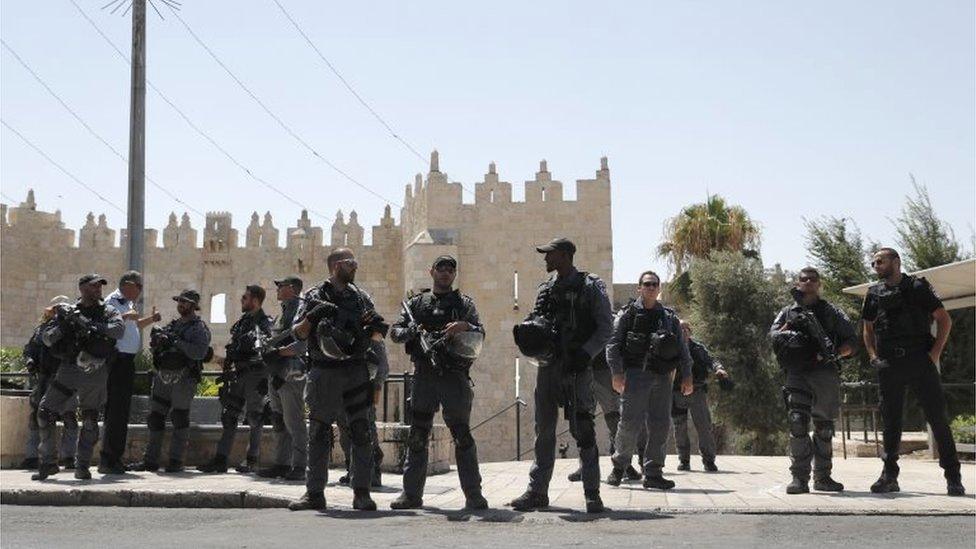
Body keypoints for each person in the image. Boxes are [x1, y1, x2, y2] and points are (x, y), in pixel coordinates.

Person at [510, 238, 613, 514]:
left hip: (578, 368)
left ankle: (592, 493)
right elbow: (537, 320)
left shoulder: (590, 286)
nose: (545, 259)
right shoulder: (546, 289)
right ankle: (537, 491)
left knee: (584, 429)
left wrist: (586, 353)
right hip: (548, 367)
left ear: (565, 256)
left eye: (550, 255)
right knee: (543, 429)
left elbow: (606, 328)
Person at [288, 248, 389, 512]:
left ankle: (362, 493)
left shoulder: (361, 298)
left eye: (355, 262)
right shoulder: (313, 296)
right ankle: (314, 493)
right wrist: (312, 316)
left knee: (361, 433)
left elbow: (377, 338)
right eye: (350, 262)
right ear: (335, 266)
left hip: (356, 371)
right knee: (319, 432)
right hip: (324, 372)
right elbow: (298, 334)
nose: (355, 267)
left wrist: (374, 329)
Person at [862, 248, 965, 496]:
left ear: (896, 262)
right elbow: (867, 328)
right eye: (874, 262)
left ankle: (953, 477)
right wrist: (874, 356)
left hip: (919, 360)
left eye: (881, 261)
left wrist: (934, 354)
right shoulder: (874, 293)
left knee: (938, 419)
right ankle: (889, 476)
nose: (876, 265)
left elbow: (944, 319)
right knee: (891, 422)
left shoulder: (917, 287)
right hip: (888, 364)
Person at [389, 255, 488, 510]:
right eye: (441, 269)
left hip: (453, 376)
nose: (445, 273)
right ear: (431, 271)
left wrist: (463, 326)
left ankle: (474, 495)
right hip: (424, 375)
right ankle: (411, 494)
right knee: (418, 435)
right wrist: (414, 331)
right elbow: (396, 332)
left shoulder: (463, 304)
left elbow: (480, 333)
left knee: (462, 436)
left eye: (450, 269)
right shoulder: (415, 304)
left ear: (454, 274)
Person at [770, 267, 855, 494]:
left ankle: (823, 477)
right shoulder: (788, 312)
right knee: (797, 421)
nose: (808, 282)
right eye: (803, 279)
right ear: (798, 283)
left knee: (824, 427)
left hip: (824, 372)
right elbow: (773, 335)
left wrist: (833, 354)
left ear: (819, 284)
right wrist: (788, 332)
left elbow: (851, 342)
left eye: (812, 279)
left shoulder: (832, 312)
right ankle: (799, 478)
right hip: (797, 372)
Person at [605, 270, 692, 490]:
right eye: (647, 284)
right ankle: (619, 467)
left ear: (659, 288)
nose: (651, 288)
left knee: (661, 424)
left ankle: (653, 472)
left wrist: (687, 375)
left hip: (662, 377)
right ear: (639, 288)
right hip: (635, 376)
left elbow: (682, 349)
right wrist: (616, 373)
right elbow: (613, 344)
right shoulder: (627, 315)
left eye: (654, 284)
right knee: (629, 424)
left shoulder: (669, 317)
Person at [32, 274, 124, 481]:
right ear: (82, 288)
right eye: (93, 286)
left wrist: (92, 326)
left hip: (95, 369)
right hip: (70, 369)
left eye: (100, 286)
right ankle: (48, 462)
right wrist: (65, 325)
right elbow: (46, 339)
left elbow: (118, 330)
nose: (98, 289)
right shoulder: (69, 312)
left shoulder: (108, 311)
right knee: (45, 412)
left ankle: (82, 465)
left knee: (90, 419)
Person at [130, 290, 211, 473]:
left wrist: (176, 342)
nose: (181, 304)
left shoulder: (199, 328)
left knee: (179, 418)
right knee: (156, 418)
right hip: (163, 376)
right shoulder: (173, 325)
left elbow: (199, 352)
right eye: (180, 301)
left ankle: (176, 461)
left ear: (193, 306)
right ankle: (150, 461)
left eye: (185, 302)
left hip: (184, 378)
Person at [199, 285, 272, 474]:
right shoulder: (242, 323)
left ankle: (252, 460)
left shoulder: (264, 323)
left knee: (255, 418)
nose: (241, 300)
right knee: (229, 417)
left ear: (255, 301)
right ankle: (221, 460)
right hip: (238, 375)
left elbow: (265, 347)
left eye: (245, 298)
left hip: (255, 376)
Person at [99, 271, 162, 474]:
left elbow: (133, 325)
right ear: (128, 285)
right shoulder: (113, 301)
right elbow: (107, 326)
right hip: (117, 361)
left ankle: (114, 457)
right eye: (139, 287)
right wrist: (126, 316)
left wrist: (150, 319)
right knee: (115, 411)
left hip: (126, 362)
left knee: (121, 411)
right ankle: (109, 460)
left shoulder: (126, 303)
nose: (141, 292)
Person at [256, 276, 309, 481]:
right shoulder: (284, 312)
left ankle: (299, 465)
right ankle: (282, 463)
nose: (277, 289)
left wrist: (278, 352)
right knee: (278, 419)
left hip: (292, 370)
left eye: (281, 286)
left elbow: (302, 344)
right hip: (277, 370)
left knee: (293, 420)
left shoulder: (301, 311)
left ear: (292, 288)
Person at [20, 296, 78, 471]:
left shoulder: (72, 330)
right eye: (55, 310)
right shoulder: (42, 330)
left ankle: (68, 457)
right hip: (45, 378)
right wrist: (30, 360)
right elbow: (30, 349)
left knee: (69, 417)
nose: (56, 314)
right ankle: (32, 456)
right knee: (38, 417)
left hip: (66, 378)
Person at [567, 349, 643, 483]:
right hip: (583, 369)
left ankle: (623, 465)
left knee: (614, 420)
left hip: (604, 369)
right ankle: (584, 466)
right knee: (583, 420)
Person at [672, 320, 728, 472]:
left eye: (686, 329)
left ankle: (709, 460)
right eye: (680, 329)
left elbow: (712, 360)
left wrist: (719, 369)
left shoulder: (697, 348)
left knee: (704, 426)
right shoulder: (671, 347)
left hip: (697, 392)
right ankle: (684, 460)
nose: (683, 331)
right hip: (676, 393)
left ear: (690, 331)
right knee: (679, 428)